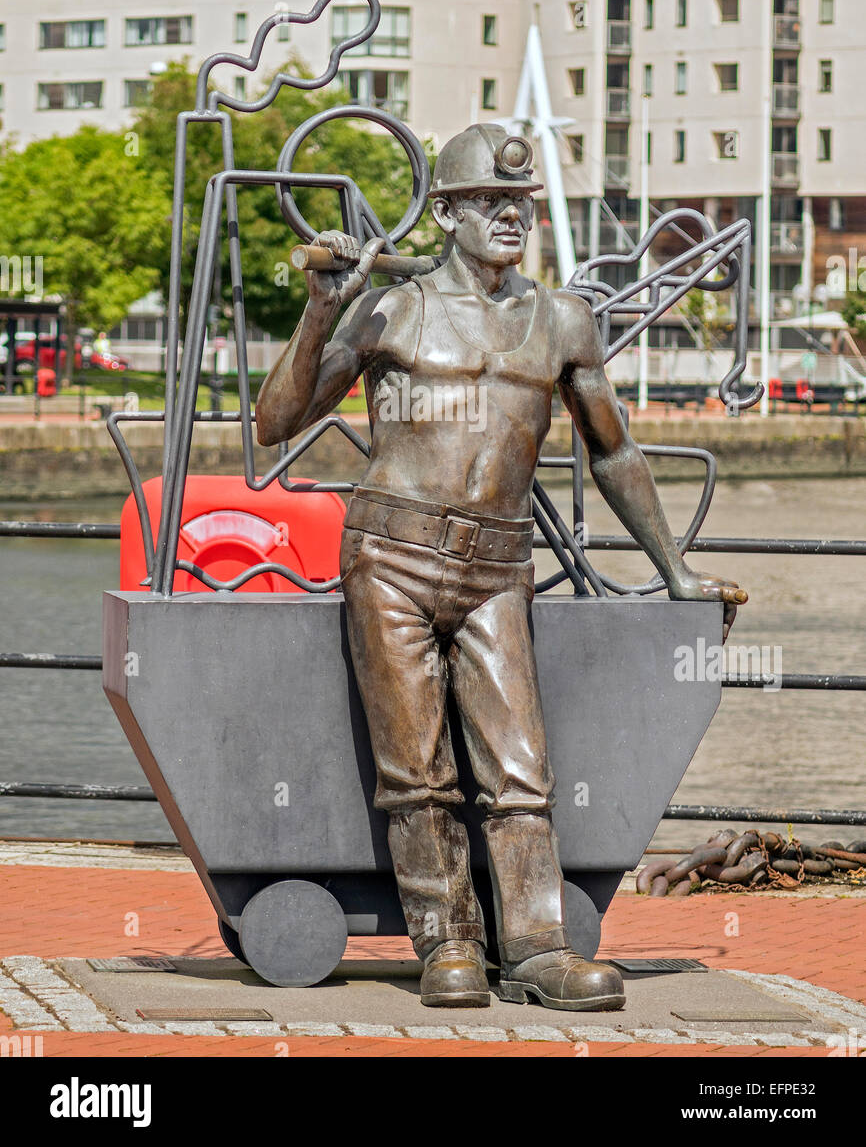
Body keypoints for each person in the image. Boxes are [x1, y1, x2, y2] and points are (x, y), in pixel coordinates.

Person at [256, 124, 746, 1012]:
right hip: (392, 557)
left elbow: (613, 451)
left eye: (520, 203)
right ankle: (446, 943)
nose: (511, 217)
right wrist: (323, 306)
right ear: (445, 212)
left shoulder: (562, 319)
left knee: (521, 766)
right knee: (417, 768)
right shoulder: (390, 310)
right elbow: (275, 420)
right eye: (489, 201)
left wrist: (675, 570)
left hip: (497, 564)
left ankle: (538, 948)